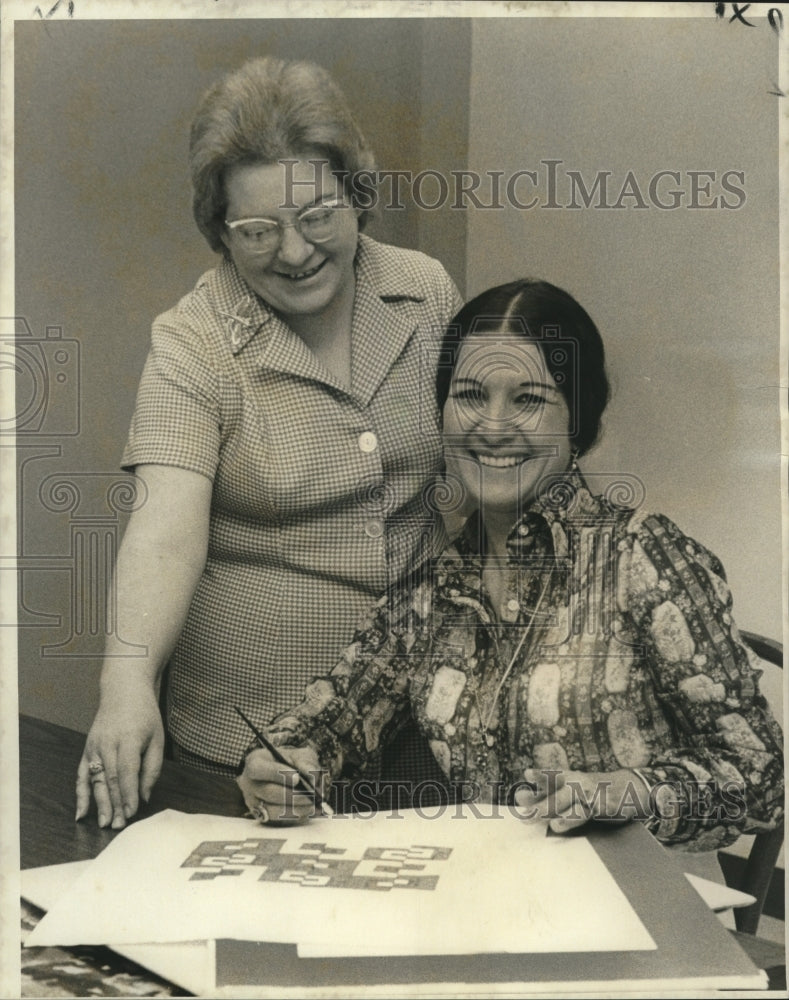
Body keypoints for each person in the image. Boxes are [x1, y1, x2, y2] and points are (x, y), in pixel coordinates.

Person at [238, 278, 784, 849]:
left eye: (528, 399)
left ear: (578, 420)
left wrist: (634, 791)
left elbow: (761, 778)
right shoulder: (430, 593)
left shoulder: (647, 561)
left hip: (647, 912)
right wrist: (279, 765)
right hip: (497, 906)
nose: (493, 427)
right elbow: (329, 723)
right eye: (471, 395)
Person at [75, 56, 462, 829]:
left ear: (356, 197)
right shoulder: (193, 340)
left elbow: (479, 476)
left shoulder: (425, 293)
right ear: (219, 231)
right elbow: (163, 536)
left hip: (419, 721)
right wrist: (126, 685)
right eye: (257, 230)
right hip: (251, 739)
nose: (293, 252)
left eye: (317, 216)